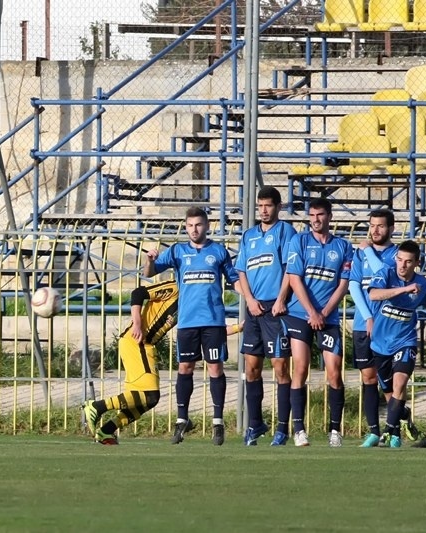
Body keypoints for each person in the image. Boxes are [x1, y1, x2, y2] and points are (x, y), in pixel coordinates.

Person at [81, 279, 243, 445]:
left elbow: (211, 329)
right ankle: (96, 407)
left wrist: (239, 327)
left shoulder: (193, 299)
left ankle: (106, 430)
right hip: (136, 342)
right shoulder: (176, 286)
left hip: (146, 345)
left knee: (149, 400)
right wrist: (137, 323)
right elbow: (138, 293)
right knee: (149, 395)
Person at [143, 207, 239, 446]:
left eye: (198, 225)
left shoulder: (218, 251)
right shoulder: (177, 251)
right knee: (185, 368)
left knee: (215, 368)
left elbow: (235, 280)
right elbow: (149, 273)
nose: (194, 229)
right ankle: (182, 419)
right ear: (185, 227)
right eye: (189, 225)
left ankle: (218, 423)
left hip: (213, 321)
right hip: (187, 321)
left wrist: (252, 297)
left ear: (207, 226)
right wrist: (149, 261)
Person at [284, 198, 353, 447]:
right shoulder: (299, 241)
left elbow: (343, 284)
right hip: (300, 313)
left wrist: (323, 312)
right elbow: (295, 279)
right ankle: (299, 429)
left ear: (330, 216)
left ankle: (335, 431)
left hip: (329, 316)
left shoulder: (343, 246)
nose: (315, 219)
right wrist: (312, 312)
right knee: (300, 368)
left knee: (334, 372)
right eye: (311, 215)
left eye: (320, 214)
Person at [348, 210, 419, 447]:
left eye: (380, 226)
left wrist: (368, 249)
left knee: (391, 385)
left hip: (387, 326)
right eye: (372, 225)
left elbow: (381, 273)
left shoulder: (396, 256)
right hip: (364, 322)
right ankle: (374, 432)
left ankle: (394, 429)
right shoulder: (360, 254)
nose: (375, 230)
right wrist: (367, 316)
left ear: (391, 228)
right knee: (369, 378)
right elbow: (355, 285)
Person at [235, 186, 296, 446]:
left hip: (275, 308)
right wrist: (248, 300)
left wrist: (281, 299)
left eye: (268, 205)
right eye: (260, 205)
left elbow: (290, 269)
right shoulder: (248, 236)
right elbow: (241, 271)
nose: (263, 210)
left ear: (278, 207)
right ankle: (256, 424)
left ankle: (282, 428)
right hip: (254, 308)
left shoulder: (286, 232)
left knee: (280, 367)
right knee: (251, 368)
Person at [367, 240, 426, 448]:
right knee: (391, 394)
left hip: (405, 341)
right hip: (380, 344)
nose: (402, 265)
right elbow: (374, 295)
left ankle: (387, 434)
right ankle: (403, 415)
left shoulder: (421, 284)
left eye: (408, 261)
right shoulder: (386, 273)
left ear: (416, 263)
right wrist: (403, 290)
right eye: (400, 260)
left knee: (400, 384)